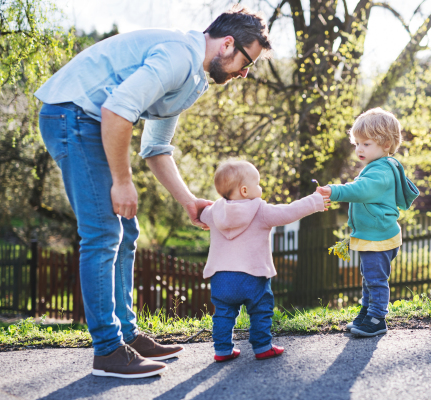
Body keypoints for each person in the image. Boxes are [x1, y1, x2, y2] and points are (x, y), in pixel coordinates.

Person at [34, 6, 272, 378]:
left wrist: (189, 202)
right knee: (102, 232)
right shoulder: (179, 55)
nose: (244, 73)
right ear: (227, 44)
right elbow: (117, 110)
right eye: (246, 62)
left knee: (126, 231)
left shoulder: (194, 78)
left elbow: (156, 148)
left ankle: (127, 334)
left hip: (89, 119)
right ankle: (108, 350)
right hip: (72, 114)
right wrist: (122, 180)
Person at [200, 160, 329, 362]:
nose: (260, 188)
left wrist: (203, 208)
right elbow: (289, 212)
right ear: (244, 190)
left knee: (223, 314)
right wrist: (314, 201)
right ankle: (262, 347)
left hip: (221, 276)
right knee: (260, 311)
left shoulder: (213, 212)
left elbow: (201, 213)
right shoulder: (261, 211)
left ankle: (223, 350)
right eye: (257, 184)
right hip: (253, 276)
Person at [316, 108, 419, 337]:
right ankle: (366, 311)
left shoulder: (381, 171)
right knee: (369, 278)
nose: (359, 149)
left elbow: (361, 190)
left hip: (379, 237)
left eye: (366, 144)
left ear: (386, 144)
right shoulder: (376, 167)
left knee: (375, 279)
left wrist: (334, 191)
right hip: (372, 234)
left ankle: (377, 318)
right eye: (357, 144)